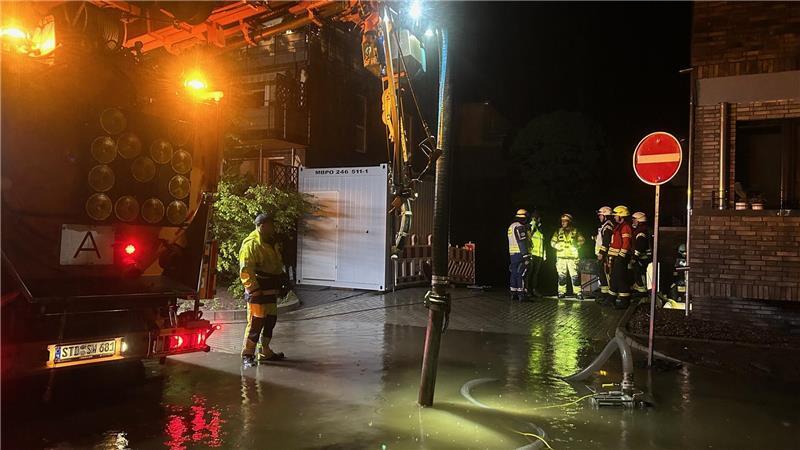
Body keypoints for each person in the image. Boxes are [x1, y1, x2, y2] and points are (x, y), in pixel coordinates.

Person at [240, 212, 290, 368]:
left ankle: (265, 351)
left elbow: (276, 265)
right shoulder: (251, 244)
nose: (273, 228)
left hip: (270, 289)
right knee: (256, 323)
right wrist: (254, 290)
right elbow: (246, 270)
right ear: (262, 226)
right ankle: (247, 354)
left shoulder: (271, 242)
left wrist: (282, 282)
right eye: (270, 225)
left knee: (270, 321)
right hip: (258, 290)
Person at [550, 213, 584, 299]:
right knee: (561, 276)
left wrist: (577, 244)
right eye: (562, 221)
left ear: (569, 222)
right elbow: (552, 242)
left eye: (565, 221)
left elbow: (582, 240)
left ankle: (578, 292)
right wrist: (556, 246)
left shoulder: (575, 231)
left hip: (572, 258)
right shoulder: (558, 231)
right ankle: (561, 292)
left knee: (575, 276)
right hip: (561, 257)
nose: (563, 222)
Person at [608, 206, 633, 309]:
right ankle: (611, 300)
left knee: (621, 279)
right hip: (616, 257)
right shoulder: (619, 226)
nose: (614, 217)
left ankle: (624, 302)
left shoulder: (625, 227)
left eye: (616, 215)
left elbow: (626, 243)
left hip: (621, 257)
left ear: (621, 216)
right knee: (614, 278)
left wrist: (621, 256)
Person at [508, 209, 531, 301]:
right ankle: (522, 294)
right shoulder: (520, 227)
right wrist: (526, 256)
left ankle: (513, 293)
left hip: (512, 254)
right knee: (521, 273)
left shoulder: (511, 226)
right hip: (520, 254)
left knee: (514, 273)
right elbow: (521, 242)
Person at [594, 206, 614, 305]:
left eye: (601, 215)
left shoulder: (608, 226)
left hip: (605, 255)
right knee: (602, 274)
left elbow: (606, 242)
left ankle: (607, 295)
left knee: (606, 274)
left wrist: (601, 253)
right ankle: (604, 294)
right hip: (604, 254)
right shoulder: (605, 226)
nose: (599, 217)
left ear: (605, 215)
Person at [526, 210, 546, 298]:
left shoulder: (540, 229)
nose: (539, 220)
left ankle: (534, 290)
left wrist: (544, 254)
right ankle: (526, 290)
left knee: (535, 274)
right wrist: (533, 225)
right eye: (537, 218)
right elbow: (528, 237)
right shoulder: (530, 226)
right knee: (529, 273)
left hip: (539, 255)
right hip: (531, 254)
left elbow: (543, 243)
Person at [631, 212, 651, 295]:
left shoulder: (641, 232)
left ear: (639, 221)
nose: (633, 222)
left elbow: (640, 245)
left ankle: (642, 290)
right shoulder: (643, 230)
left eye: (634, 220)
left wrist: (635, 257)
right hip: (644, 258)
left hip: (642, 258)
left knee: (641, 273)